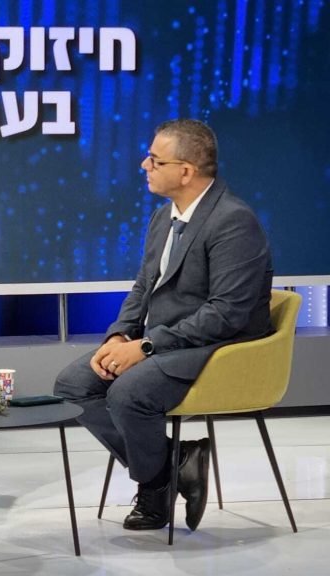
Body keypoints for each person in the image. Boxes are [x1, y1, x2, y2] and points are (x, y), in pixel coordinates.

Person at [54, 119, 273, 532]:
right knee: (73, 384)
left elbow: (226, 313)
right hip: (166, 340)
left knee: (128, 392)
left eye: (155, 160)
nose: (144, 165)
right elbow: (144, 286)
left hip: (217, 347)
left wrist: (145, 347)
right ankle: (172, 465)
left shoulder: (233, 221)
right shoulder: (163, 217)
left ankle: (154, 492)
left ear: (185, 171)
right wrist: (120, 334)